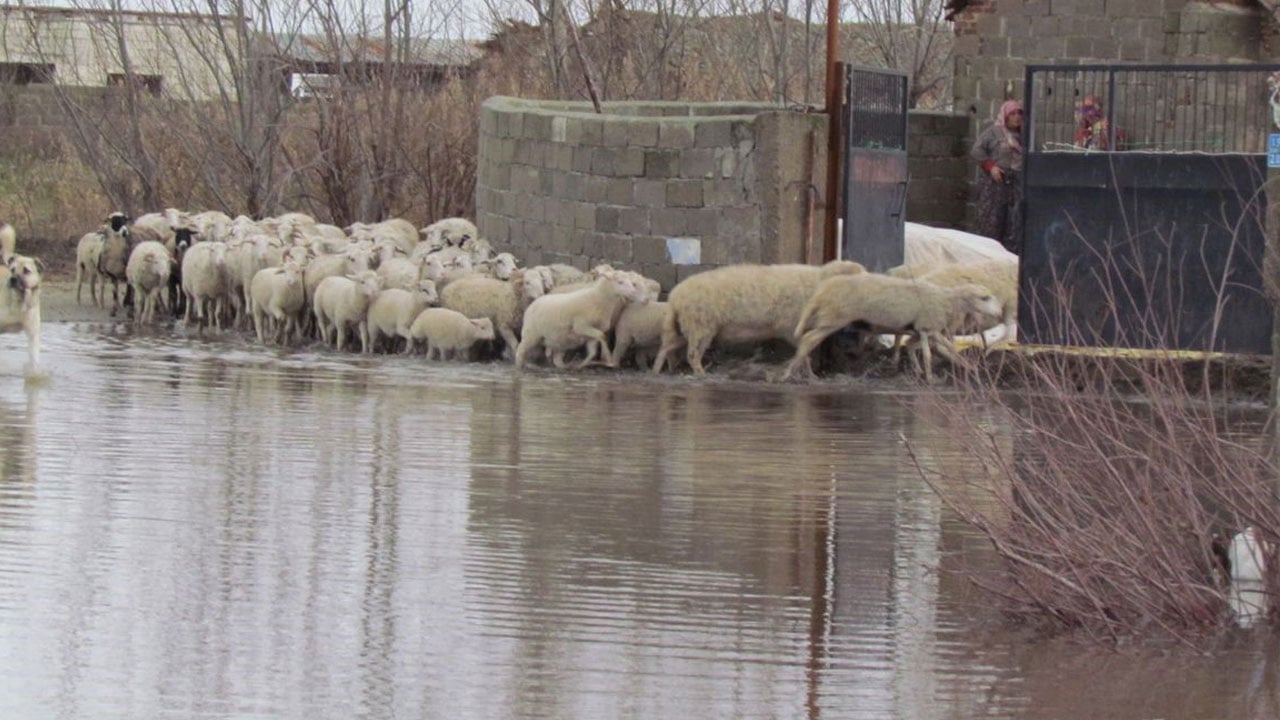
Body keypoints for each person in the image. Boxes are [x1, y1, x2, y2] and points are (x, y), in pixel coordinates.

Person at [970, 99, 1024, 254]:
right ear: (1005, 116)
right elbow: (976, 151)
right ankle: (988, 255)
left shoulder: (1024, 136)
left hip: (1015, 184)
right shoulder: (994, 132)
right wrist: (991, 167)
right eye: (1012, 114)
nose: (1017, 117)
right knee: (992, 221)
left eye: (1019, 113)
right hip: (995, 184)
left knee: (1013, 223)